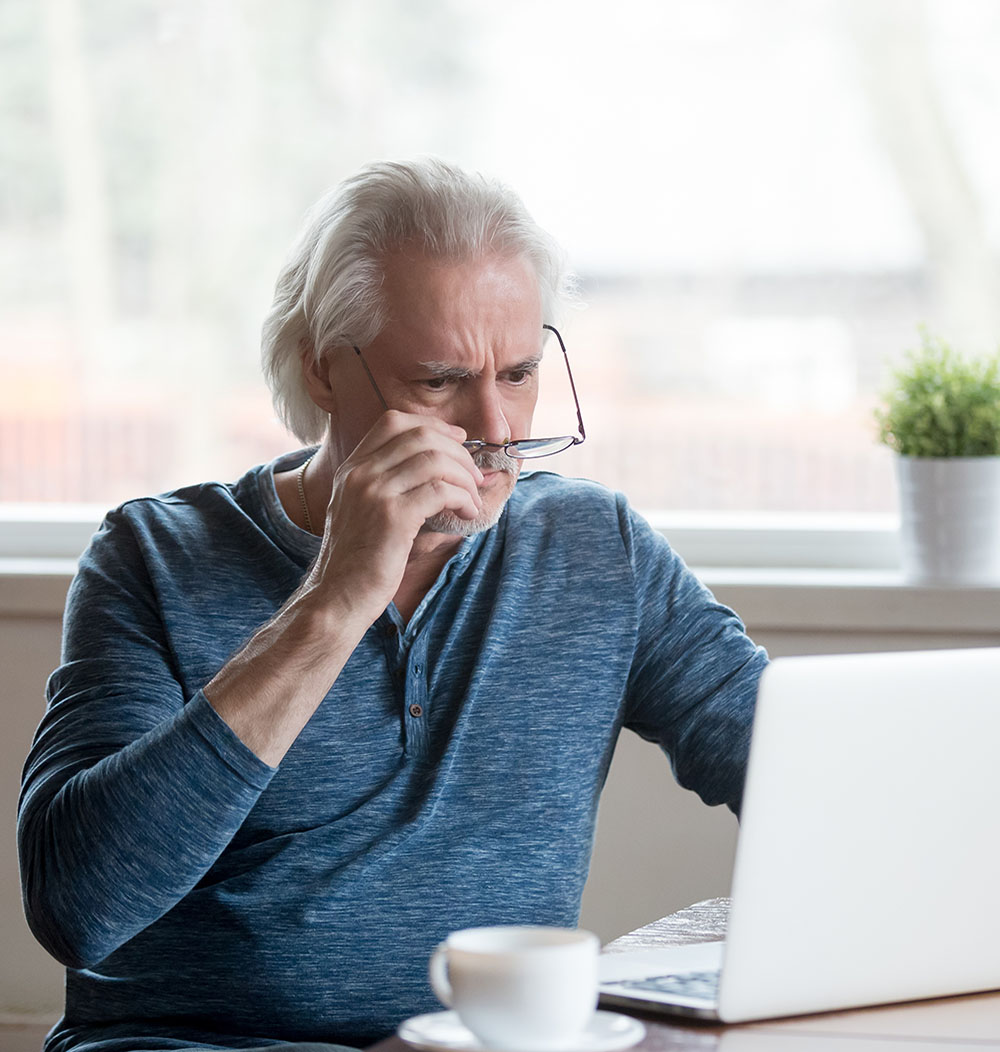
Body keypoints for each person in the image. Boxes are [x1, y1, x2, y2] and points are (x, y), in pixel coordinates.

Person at [18, 158, 767, 1052]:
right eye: (441, 380)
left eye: (520, 372)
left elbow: (798, 772)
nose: (495, 430)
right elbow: (79, 906)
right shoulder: (152, 555)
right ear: (323, 370)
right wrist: (336, 597)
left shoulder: (593, 548)